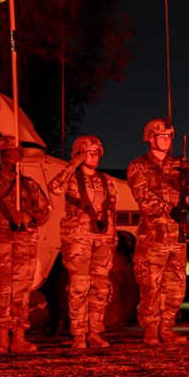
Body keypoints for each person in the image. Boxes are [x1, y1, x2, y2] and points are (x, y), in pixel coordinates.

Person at [127, 118, 189, 346]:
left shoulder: (178, 164)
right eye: (162, 136)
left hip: (177, 235)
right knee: (151, 284)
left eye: (169, 136)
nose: (167, 140)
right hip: (153, 234)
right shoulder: (138, 166)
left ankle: (166, 327)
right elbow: (143, 198)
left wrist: (188, 180)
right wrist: (169, 209)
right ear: (151, 138)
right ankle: (150, 328)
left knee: (176, 285)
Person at [0, 136, 52, 355]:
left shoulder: (29, 185)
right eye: (6, 153)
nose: (11, 157)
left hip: (23, 241)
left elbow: (45, 211)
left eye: (14, 153)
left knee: (21, 291)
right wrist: (9, 169)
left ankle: (19, 337)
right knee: (1, 290)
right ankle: (2, 337)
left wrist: (28, 216)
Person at [48, 135, 118, 350]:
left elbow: (112, 209)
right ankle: (78, 334)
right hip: (78, 240)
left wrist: (112, 240)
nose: (94, 156)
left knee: (101, 288)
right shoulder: (70, 178)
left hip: (102, 239)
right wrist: (73, 164)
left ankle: (95, 332)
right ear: (78, 154)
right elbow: (55, 188)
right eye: (88, 152)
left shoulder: (106, 180)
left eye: (97, 152)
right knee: (79, 286)